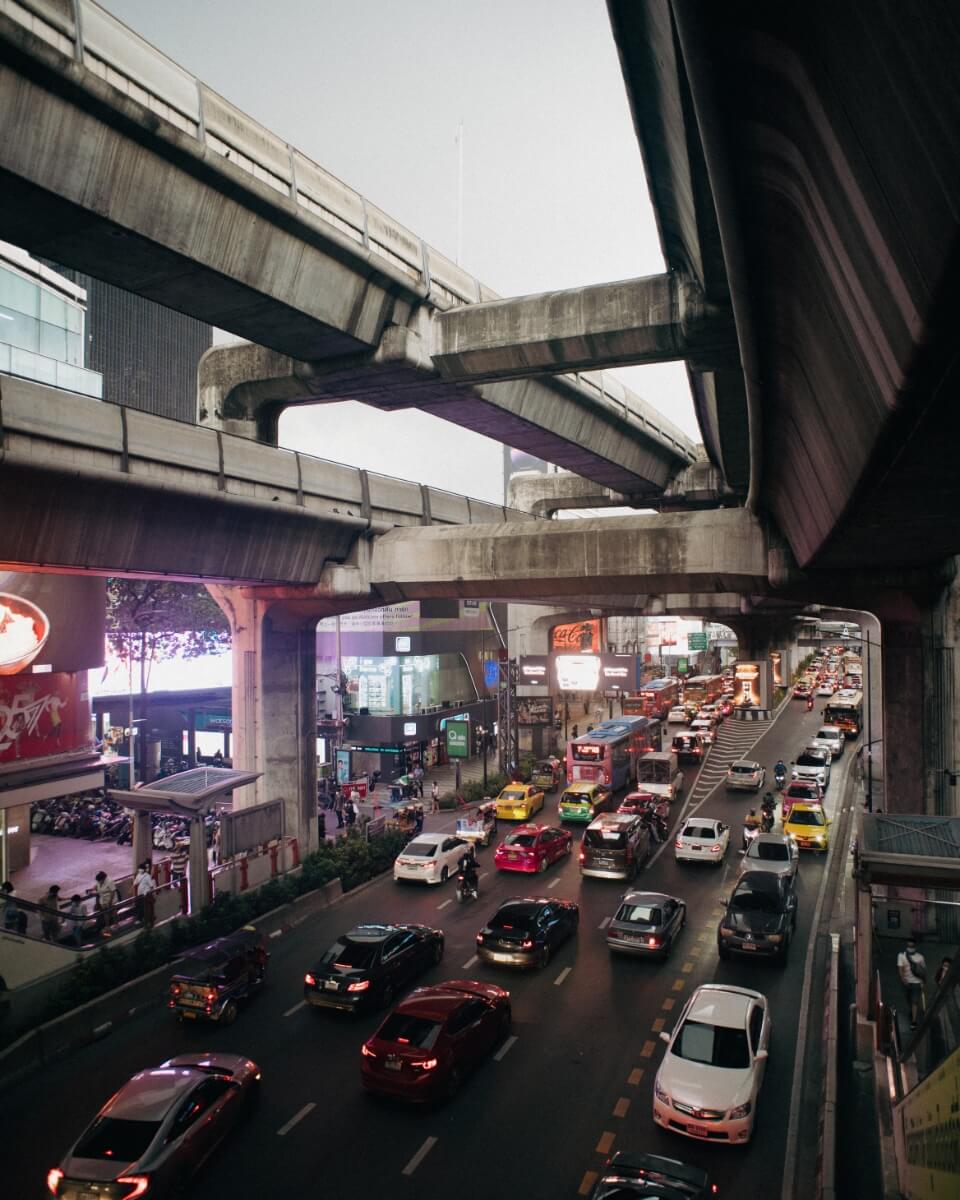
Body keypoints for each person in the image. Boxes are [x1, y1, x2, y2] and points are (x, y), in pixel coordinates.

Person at [897, 938, 927, 1028]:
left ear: (915, 946)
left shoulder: (920, 957)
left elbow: (923, 971)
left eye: (912, 946)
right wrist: (903, 979)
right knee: (909, 1000)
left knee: (914, 1001)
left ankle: (913, 1021)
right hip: (907, 982)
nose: (910, 948)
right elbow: (900, 969)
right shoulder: (901, 956)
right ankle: (912, 1012)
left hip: (916, 983)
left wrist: (923, 982)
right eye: (909, 946)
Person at [94, 870, 118, 937]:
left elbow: (113, 891)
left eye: (99, 880)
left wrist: (110, 901)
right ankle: (107, 926)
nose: (98, 882)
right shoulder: (99, 882)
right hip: (103, 900)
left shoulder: (110, 881)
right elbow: (97, 887)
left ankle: (116, 924)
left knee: (114, 912)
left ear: (103, 878)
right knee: (105, 914)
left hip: (111, 900)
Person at [134, 861, 156, 928]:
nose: (139, 870)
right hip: (139, 894)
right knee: (139, 906)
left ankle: (141, 919)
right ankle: (141, 918)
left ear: (143, 869)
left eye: (140, 868)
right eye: (139, 869)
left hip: (145, 895)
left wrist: (151, 894)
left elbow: (151, 886)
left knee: (142, 907)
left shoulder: (147, 876)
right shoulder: (138, 875)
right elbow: (135, 883)